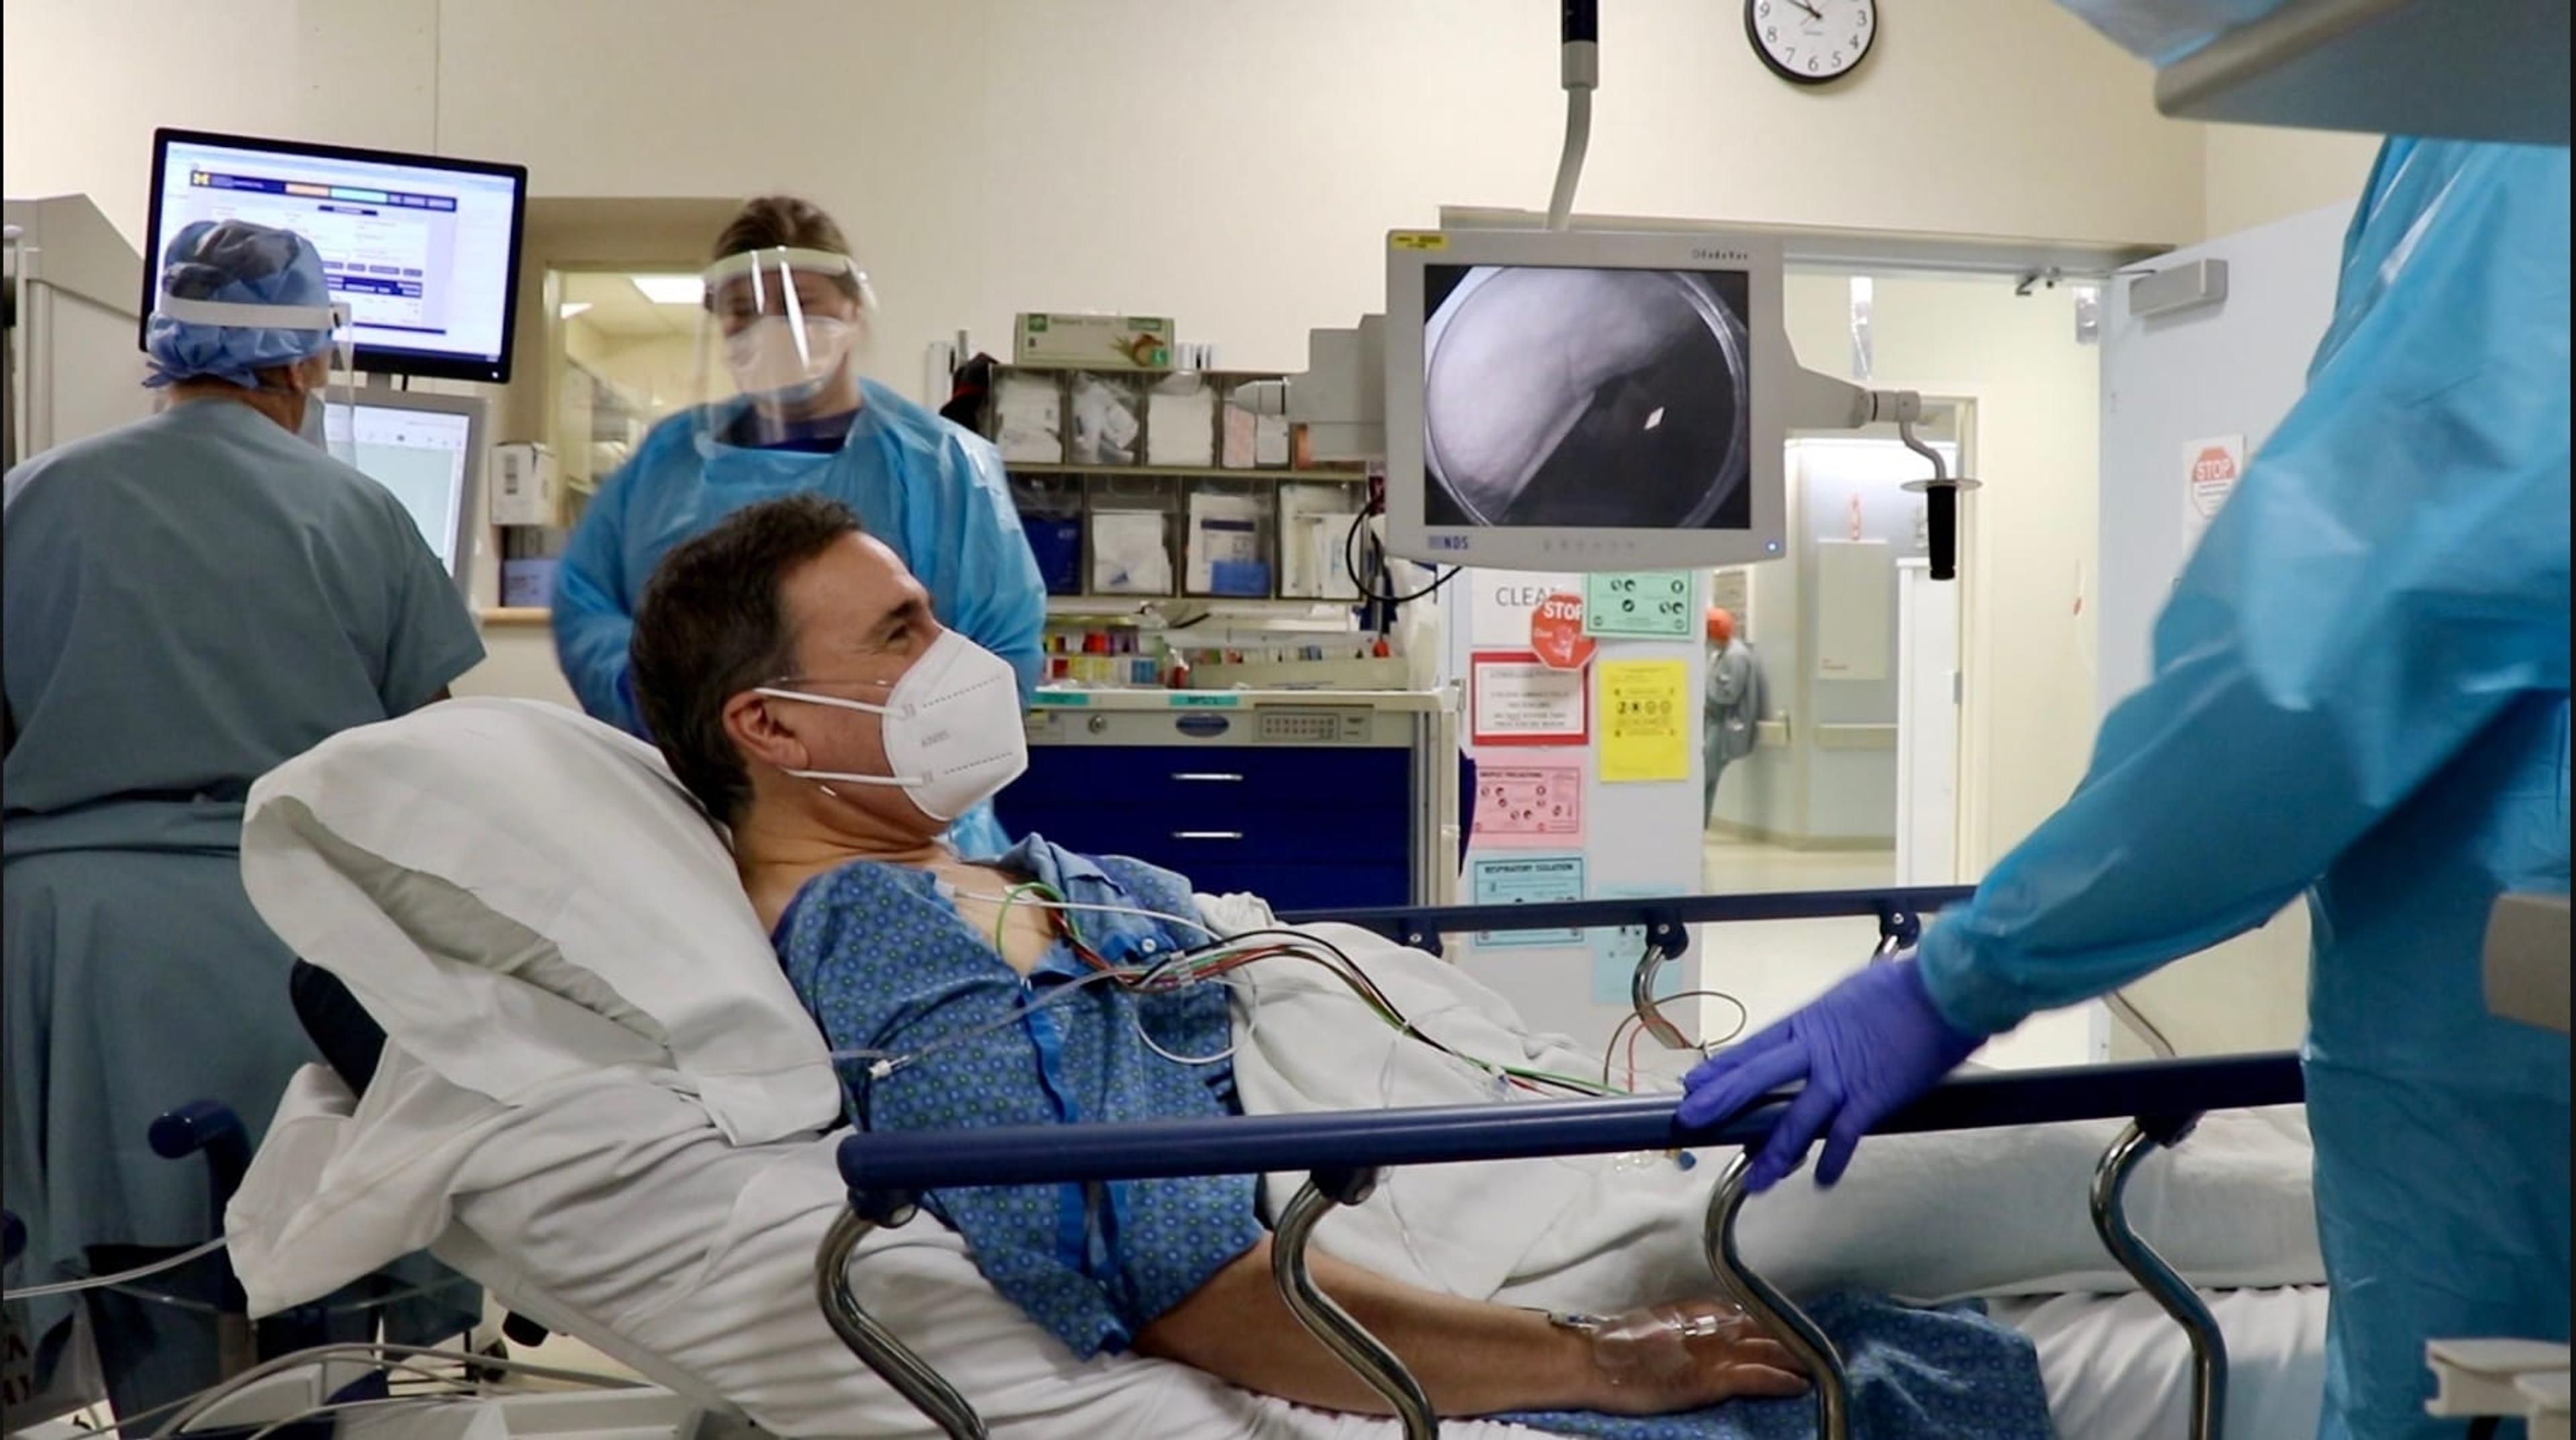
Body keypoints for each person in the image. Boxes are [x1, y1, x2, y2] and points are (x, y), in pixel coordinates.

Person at [1678, 138, 2570, 1440]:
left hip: (2509, 1035)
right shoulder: (2465, 131)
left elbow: (2320, 652)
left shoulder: (2518, 143)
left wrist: (1969, 970)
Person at [624, 493, 1836, 1425]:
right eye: (902, 631)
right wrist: (1595, 1357)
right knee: (1917, 1151)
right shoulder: (874, 927)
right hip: (1493, 1209)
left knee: (1895, 1138)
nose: (956, 652)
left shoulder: (954, 871)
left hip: (1530, 1119)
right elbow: (1177, 1269)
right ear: (769, 725)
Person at [3, 218, 487, 1412]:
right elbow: (420, 767)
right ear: (304, 364)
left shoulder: (29, 500)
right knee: (334, 1261)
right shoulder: (360, 515)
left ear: (164, 350)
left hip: (82, 954)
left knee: (136, 1277)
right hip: (303, 940)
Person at [551, 195, 1042, 858]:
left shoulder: (941, 468)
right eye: (745, 312)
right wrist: (672, 703)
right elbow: (586, 605)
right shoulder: (666, 464)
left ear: (852, 309)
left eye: (801, 304)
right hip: (694, 818)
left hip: (898, 830)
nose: (774, 328)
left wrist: (887, 792)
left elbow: (996, 664)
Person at [1701, 606, 1758, 824]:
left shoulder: (1736, 657)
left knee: (1707, 777)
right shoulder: (1721, 654)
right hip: (1713, 722)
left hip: (1723, 724)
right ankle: (1699, 824)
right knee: (1706, 777)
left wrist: (1707, 703)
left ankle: (1698, 825)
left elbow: (1728, 695)